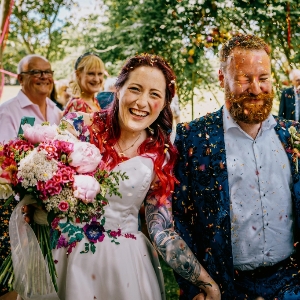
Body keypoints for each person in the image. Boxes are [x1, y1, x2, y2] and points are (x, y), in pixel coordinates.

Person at [17, 54, 220, 300]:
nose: (142, 102)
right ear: (118, 89)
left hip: (124, 268)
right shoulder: (79, 126)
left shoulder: (161, 155)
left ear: (165, 102)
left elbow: (160, 229)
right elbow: (43, 180)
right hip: (67, 259)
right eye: (135, 89)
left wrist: (205, 281)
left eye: (155, 94)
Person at [173, 34, 300, 299]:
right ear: (222, 78)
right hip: (224, 287)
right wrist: (196, 283)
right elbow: (179, 220)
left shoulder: (293, 136)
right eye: (244, 78)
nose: (255, 89)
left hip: (291, 283)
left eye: (263, 78)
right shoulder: (192, 137)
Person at [0, 54, 61, 298]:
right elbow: (5, 160)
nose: (44, 77)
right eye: (37, 72)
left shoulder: (57, 111)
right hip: (13, 208)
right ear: (21, 78)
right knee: (14, 274)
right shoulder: (8, 112)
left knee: (43, 270)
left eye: (48, 72)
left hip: (48, 209)